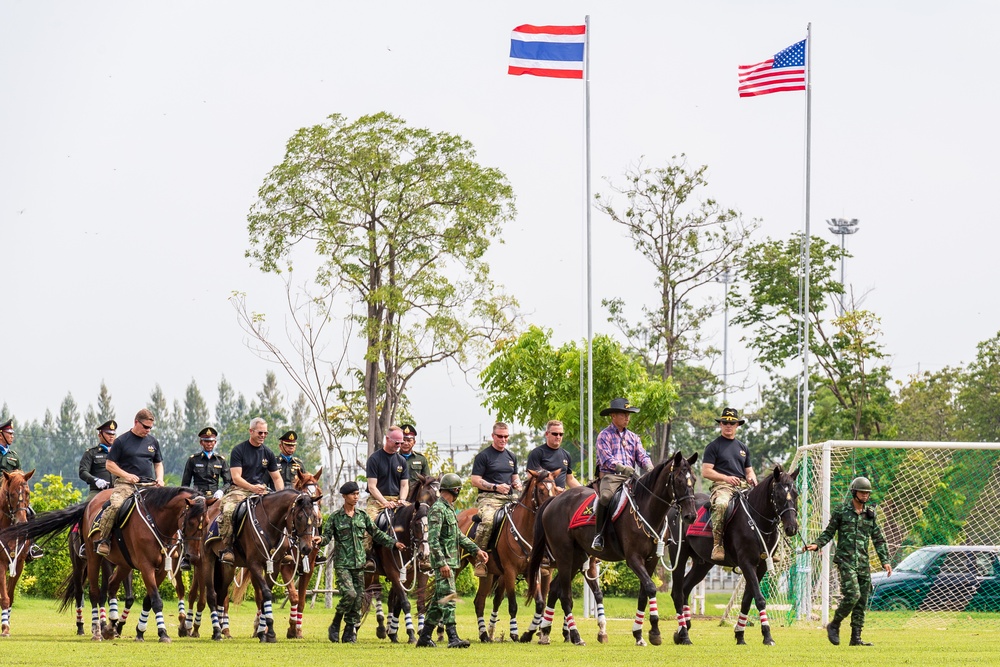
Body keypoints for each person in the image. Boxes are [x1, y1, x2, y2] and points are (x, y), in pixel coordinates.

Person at [805, 476, 892, 647]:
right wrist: (817, 544)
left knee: (862, 601)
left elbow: (878, 539)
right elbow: (829, 532)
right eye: (862, 492)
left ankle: (856, 638)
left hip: (862, 563)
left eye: (867, 493)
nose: (865, 496)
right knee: (853, 595)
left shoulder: (870, 515)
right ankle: (834, 624)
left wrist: (885, 560)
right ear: (854, 492)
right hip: (846, 561)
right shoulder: (841, 511)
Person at [322, 481, 404, 644]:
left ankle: (349, 633)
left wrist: (393, 543)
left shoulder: (362, 516)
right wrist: (318, 541)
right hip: (343, 564)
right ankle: (336, 623)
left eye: (358, 494)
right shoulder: (335, 518)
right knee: (350, 594)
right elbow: (326, 537)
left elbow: (376, 534)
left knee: (358, 598)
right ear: (344, 496)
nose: (356, 497)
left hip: (360, 564)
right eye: (353, 494)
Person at [415, 472, 487, 649]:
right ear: (455, 490)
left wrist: (476, 550)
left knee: (438, 602)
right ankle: (453, 637)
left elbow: (458, 536)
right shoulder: (438, 510)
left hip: (451, 561)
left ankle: (424, 637)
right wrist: (442, 563)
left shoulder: (448, 509)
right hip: (444, 563)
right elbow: (433, 540)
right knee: (449, 598)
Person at [95, 409, 165, 556]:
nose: (148, 430)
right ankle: (104, 540)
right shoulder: (121, 441)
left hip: (149, 485)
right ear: (136, 422)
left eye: (150, 428)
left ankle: (170, 544)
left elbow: (158, 463)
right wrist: (127, 476)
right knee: (115, 506)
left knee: (169, 506)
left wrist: (160, 478)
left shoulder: (153, 442)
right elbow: (109, 464)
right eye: (145, 427)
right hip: (126, 485)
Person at [217, 418, 283, 565]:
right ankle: (228, 548)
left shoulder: (268, 453)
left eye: (266, 433)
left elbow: (277, 478)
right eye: (260, 432)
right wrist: (252, 487)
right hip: (239, 490)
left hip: (262, 492)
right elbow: (236, 477)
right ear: (251, 431)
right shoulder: (239, 450)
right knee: (228, 510)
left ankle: (283, 549)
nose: (263, 436)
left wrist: (280, 496)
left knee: (284, 512)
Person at [592, 398, 652, 551]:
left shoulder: (633, 437)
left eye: (628, 414)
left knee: (652, 495)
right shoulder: (604, 436)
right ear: (613, 416)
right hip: (610, 477)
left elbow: (642, 456)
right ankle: (599, 535)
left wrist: (650, 467)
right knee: (605, 497)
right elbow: (606, 459)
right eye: (623, 414)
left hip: (630, 477)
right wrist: (622, 467)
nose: (627, 418)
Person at [701, 407, 757, 561]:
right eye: (725, 422)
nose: (728, 426)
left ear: (737, 425)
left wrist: (753, 479)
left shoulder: (743, 448)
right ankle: (717, 544)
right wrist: (726, 478)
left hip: (743, 486)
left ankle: (768, 545)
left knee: (764, 502)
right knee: (721, 505)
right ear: (720, 424)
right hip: (722, 487)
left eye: (732, 423)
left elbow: (749, 471)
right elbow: (706, 471)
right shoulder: (713, 446)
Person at [469, 421, 521, 574]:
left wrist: (517, 483)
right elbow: (475, 480)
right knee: (489, 521)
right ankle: (479, 559)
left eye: (506, 436)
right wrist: (495, 487)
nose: (503, 439)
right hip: (489, 498)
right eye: (500, 436)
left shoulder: (512, 457)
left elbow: (515, 477)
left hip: (510, 498)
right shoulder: (483, 456)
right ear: (493, 436)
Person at [0, 418, 45, 560]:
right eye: (9, 433)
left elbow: (19, 475)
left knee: (30, 513)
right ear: (1, 435)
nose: (12, 436)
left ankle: (31, 546)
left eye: (12, 433)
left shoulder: (14, 456)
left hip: (10, 494)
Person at [363, 426, 409, 561]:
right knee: (368, 527)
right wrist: (384, 502)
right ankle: (368, 558)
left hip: (397, 500)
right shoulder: (374, 459)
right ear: (387, 439)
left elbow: (404, 484)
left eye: (401, 443)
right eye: (397, 443)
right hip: (377, 501)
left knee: (418, 518)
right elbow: (372, 487)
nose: (399, 446)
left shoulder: (401, 461)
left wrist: (402, 499)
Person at [525, 419, 581, 491]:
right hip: (544, 498)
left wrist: (584, 490)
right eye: (555, 434)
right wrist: (553, 489)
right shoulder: (537, 453)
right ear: (547, 434)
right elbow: (531, 478)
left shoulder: (566, 454)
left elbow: (570, 479)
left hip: (562, 497)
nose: (558, 437)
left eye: (561, 434)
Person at [182, 427, 231, 497]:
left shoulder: (220, 460)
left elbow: (228, 482)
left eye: (211, 441)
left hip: (216, 496)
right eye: (206, 441)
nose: (209, 444)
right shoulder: (193, 460)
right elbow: (185, 483)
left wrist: (221, 491)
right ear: (201, 442)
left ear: (215, 442)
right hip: (197, 495)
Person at [79, 419, 116, 500]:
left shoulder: (119, 453)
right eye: (108, 433)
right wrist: (95, 480)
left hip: (117, 490)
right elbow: (83, 472)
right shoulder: (91, 453)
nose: (111, 436)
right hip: (98, 491)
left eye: (113, 434)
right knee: (87, 507)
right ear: (100, 435)